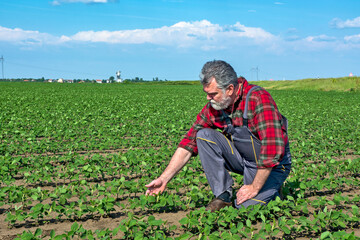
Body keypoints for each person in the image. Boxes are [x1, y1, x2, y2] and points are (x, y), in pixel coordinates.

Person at [145, 60, 291, 211]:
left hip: (274, 165)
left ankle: (273, 188)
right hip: (246, 161)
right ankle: (223, 195)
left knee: (245, 208)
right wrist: (163, 179)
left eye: (213, 94)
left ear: (229, 89)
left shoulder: (258, 98)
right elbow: (189, 142)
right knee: (203, 135)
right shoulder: (216, 107)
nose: (208, 98)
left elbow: (272, 149)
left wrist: (254, 187)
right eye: (207, 93)